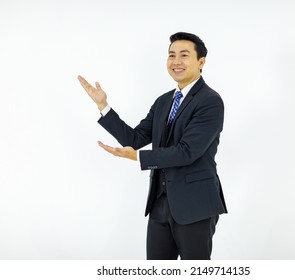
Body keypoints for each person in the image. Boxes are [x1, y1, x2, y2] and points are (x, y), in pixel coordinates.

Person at [78, 32, 227, 260]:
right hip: (159, 205)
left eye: (184, 55)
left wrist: (138, 158)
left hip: (195, 205)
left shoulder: (210, 101)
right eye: (171, 55)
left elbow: (188, 152)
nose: (176, 61)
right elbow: (136, 139)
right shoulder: (163, 101)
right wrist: (103, 106)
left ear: (201, 62)